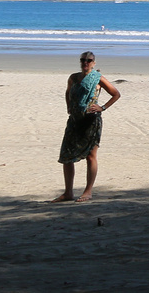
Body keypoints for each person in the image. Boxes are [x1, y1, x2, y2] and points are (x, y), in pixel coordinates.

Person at [52, 51, 121, 203]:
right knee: (66, 156)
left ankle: (88, 191)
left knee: (91, 156)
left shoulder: (98, 78)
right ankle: (68, 192)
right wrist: (69, 106)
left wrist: (102, 107)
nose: (85, 63)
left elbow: (116, 94)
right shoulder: (73, 77)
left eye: (89, 60)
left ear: (94, 63)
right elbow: (68, 92)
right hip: (75, 120)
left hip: (91, 121)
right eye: (83, 60)